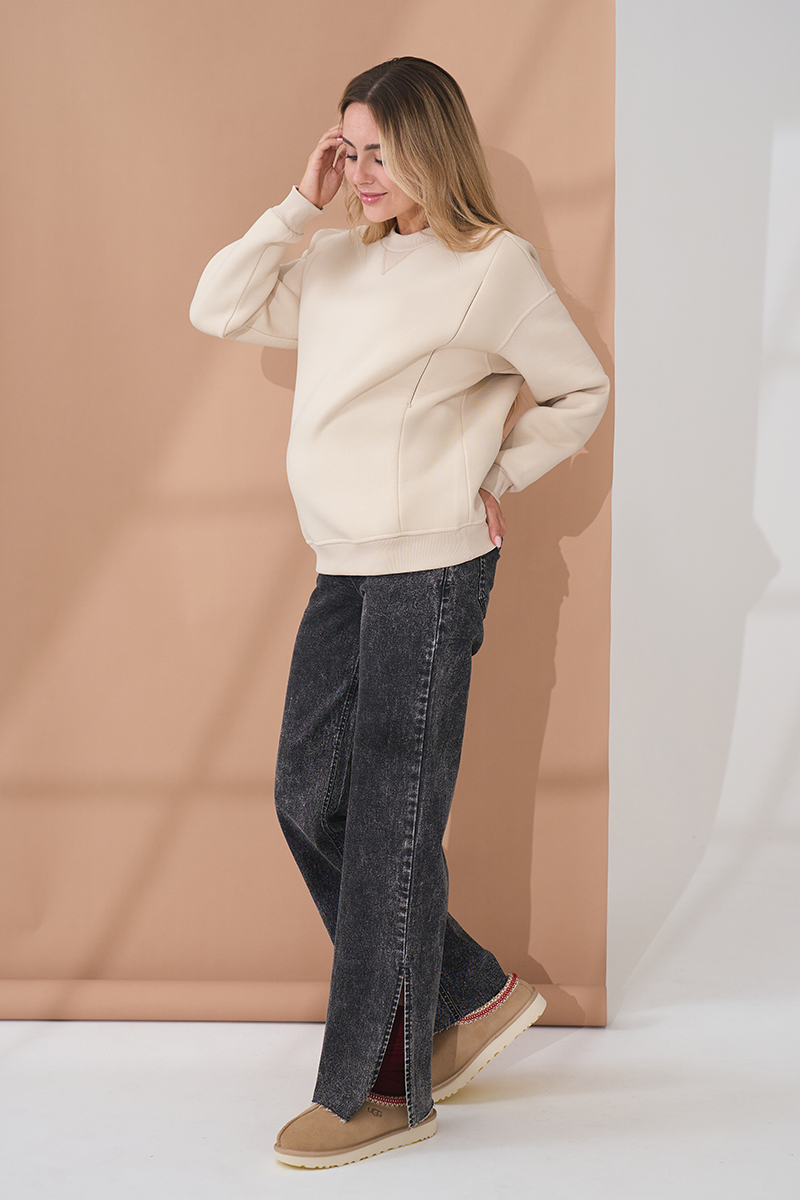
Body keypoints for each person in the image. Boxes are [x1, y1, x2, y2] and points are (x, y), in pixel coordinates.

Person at [190, 56, 609, 1169]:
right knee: (306, 794)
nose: (364, 172)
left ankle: (381, 1090)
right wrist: (301, 202)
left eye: (382, 151)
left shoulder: (494, 267)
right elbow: (217, 303)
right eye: (351, 150)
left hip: (433, 568)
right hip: (342, 567)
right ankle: (465, 993)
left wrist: (496, 474)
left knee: (388, 826)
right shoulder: (332, 261)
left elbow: (579, 389)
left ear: (434, 147)